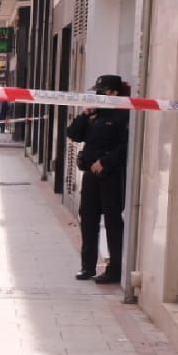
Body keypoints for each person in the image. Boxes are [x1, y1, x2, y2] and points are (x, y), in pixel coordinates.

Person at [66, 75, 132, 285]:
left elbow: (126, 146)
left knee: (113, 222)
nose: (98, 95)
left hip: (110, 175)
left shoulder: (123, 115)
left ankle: (114, 270)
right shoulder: (95, 114)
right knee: (88, 219)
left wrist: (105, 162)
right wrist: (85, 114)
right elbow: (73, 134)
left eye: (102, 92)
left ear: (113, 93)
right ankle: (87, 266)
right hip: (90, 176)